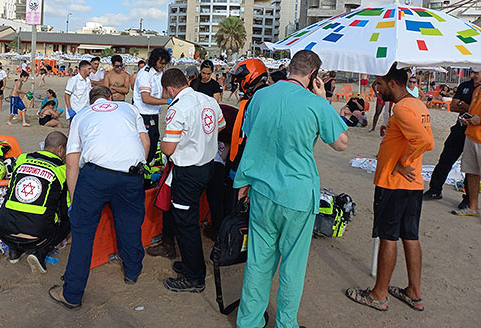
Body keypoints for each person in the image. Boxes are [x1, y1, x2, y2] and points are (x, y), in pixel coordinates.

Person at [233, 50, 348, 328]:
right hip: (297, 194)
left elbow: (251, 139)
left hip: (262, 190)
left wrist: (244, 181)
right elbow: (341, 142)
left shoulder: (260, 96)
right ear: (313, 75)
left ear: (289, 68)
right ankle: (286, 324)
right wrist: (324, 100)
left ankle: (249, 321)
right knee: (292, 267)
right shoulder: (315, 103)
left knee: (259, 261)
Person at [50, 86, 150, 310]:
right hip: (131, 174)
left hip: (96, 176)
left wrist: (76, 200)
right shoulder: (129, 109)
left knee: (83, 232)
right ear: (111, 98)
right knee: (130, 224)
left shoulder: (82, 115)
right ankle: (132, 270)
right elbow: (145, 143)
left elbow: (72, 161)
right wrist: (132, 167)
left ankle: (72, 293)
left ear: (90, 101)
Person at [347, 64, 434, 313]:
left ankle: (379, 294)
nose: (376, 88)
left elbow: (426, 141)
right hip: (412, 185)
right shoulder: (417, 105)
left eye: (380, 84)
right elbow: (423, 139)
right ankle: (414, 293)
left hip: (394, 184)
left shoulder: (403, 107)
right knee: (410, 236)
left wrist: (403, 161)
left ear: (393, 84)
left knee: (388, 237)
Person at [159, 69, 225, 293]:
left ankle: (194, 276)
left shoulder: (177, 107)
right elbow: (221, 125)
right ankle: (190, 263)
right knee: (189, 219)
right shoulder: (207, 99)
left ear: (169, 89)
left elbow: (168, 147)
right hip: (207, 166)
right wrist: (200, 137)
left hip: (188, 171)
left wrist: (168, 144)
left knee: (186, 224)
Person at [0, 131, 70, 272]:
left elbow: (10, 188)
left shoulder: (22, 159)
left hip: (4, 231)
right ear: (61, 149)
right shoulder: (62, 170)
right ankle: (40, 251)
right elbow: (65, 208)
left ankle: (14, 251)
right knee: (66, 222)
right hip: (37, 235)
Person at [424, 73, 480, 206]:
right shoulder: (465, 85)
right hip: (459, 129)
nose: (474, 74)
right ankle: (435, 189)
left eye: (477, 72)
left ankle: (468, 199)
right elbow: (453, 106)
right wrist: (470, 107)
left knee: (471, 167)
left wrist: (464, 105)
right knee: (445, 160)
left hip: (475, 133)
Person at [453, 69, 481, 219]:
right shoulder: (477, 91)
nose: (472, 76)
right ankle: (473, 207)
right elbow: (473, 111)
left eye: (476, 72)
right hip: (471, 137)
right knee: (471, 172)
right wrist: (467, 119)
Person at [133, 47, 171, 163]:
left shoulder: (160, 73)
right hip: (143, 114)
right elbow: (146, 98)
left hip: (154, 113)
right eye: (161, 63)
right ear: (154, 60)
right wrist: (169, 102)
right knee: (145, 145)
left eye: (165, 64)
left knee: (154, 142)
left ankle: (147, 167)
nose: (163, 66)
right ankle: (142, 169)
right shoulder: (145, 74)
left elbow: (163, 94)